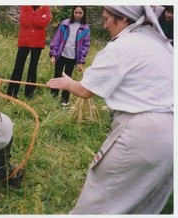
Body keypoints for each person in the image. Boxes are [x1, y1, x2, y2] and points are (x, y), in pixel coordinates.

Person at [47, 6, 173, 214]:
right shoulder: (158, 43)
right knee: (141, 205)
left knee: (99, 201)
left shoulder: (123, 45)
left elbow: (86, 90)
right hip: (170, 137)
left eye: (106, 19)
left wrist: (68, 83)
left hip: (144, 133)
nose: (104, 24)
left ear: (123, 18)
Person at [7, 6, 51, 99]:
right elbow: (23, 21)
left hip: (37, 42)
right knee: (18, 66)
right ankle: (12, 92)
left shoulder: (45, 7)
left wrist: (31, 18)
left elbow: (44, 22)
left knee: (33, 67)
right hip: (24, 41)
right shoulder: (25, 6)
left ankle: (29, 94)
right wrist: (38, 18)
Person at [49, 6, 90, 107]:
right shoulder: (65, 24)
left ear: (84, 14)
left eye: (80, 13)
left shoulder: (85, 28)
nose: (78, 15)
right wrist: (53, 54)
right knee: (57, 75)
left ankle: (64, 101)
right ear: (72, 12)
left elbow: (85, 46)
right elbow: (57, 39)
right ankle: (53, 97)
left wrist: (80, 61)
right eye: (76, 12)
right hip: (61, 55)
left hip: (72, 58)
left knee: (68, 78)